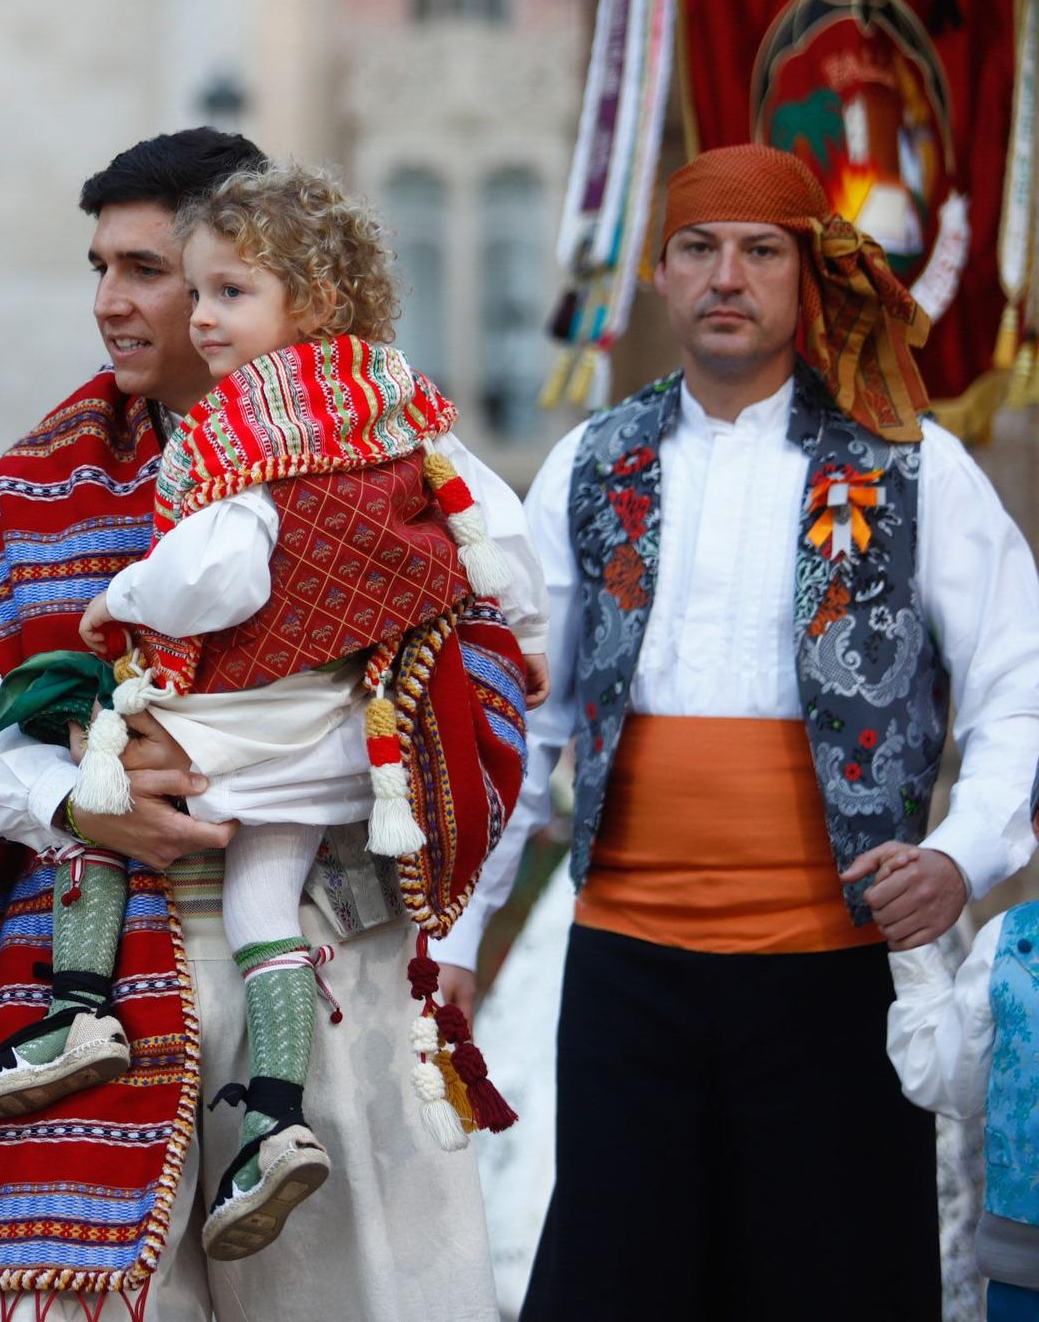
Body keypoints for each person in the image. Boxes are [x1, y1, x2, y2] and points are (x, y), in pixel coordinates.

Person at [0, 129, 527, 1322]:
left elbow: (480, 700)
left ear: (239, 273)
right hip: (90, 969)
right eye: (99, 267)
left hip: (321, 958)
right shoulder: (52, 470)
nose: (109, 302)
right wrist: (69, 795)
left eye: (147, 269)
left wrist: (246, 768)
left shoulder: (387, 454)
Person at [440, 144, 1039, 1318]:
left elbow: (1016, 689)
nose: (727, 277)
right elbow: (524, 717)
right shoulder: (588, 462)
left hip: (834, 975)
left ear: (806, 278)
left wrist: (961, 853)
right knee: (617, 1285)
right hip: (622, 972)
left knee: (835, 1286)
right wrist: (459, 936)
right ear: (658, 274)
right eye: (698, 249)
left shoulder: (915, 465)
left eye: (760, 251)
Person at [886, 786, 1039, 1322]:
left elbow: (946, 1083)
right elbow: (950, 1084)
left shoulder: (1009, 942)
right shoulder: (1009, 944)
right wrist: (914, 949)